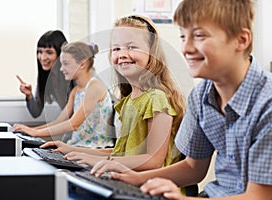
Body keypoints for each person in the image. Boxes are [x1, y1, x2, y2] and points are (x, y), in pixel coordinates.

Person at [90, 0, 272, 199]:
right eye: (183, 37)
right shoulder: (201, 96)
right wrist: (134, 178)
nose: (186, 48)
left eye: (199, 36)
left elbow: (260, 196)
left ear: (241, 39)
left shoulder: (267, 102)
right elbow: (194, 168)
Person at [41, 14, 186, 172]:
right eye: (116, 48)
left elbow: (153, 161)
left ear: (152, 52)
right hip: (131, 181)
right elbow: (121, 153)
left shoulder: (157, 99)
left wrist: (96, 160)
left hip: (154, 190)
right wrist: (72, 150)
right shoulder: (128, 101)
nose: (122, 54)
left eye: (131, 47)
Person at [13, 42, 113, 148]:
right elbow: (60, 121)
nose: (61, 69)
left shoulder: (95, 86)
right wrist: (31, 130)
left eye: (66, 63)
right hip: (76, 147)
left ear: (82, 64)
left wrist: (35, 133)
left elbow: (74, 124)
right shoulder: (76, 91)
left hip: (94, 149)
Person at [16, 30, 73, 118]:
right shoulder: (46, 76)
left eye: (49, 52)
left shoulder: (74, 76)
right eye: (40, 52)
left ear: (61, 54)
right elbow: (36, 112)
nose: (42, 58)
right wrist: (29, 95)